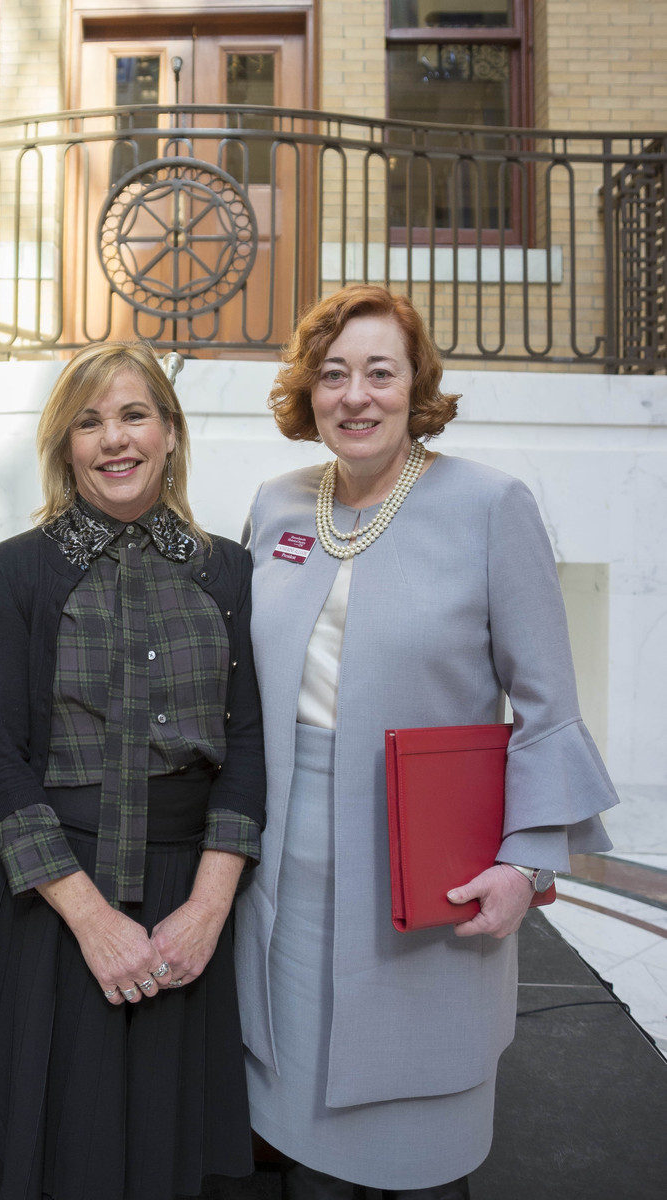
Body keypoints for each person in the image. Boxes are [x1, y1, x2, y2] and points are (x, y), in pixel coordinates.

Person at [235, 284, 618, 1199]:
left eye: (379, 372)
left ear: (416, 386)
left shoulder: (490, 505)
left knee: (417, 1149)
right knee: (298, 1130)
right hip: (285, 866)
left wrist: (525, 862)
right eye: (333, 375)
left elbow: (547, 703)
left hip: (423, 872)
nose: (355, 396)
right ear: (308, 392)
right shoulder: (278, 503)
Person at [0, 341, 266, 1200]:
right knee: (56, 1152)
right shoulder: (18, 569)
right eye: (89, 422)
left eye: (133, 415)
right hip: (55, 903)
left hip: (184, 900)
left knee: (166, 1154)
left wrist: (206, 910)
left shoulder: (227, 569)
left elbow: (250, 745)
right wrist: (91, 920)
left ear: (170, 433)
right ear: (64, 445)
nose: (113, 439)